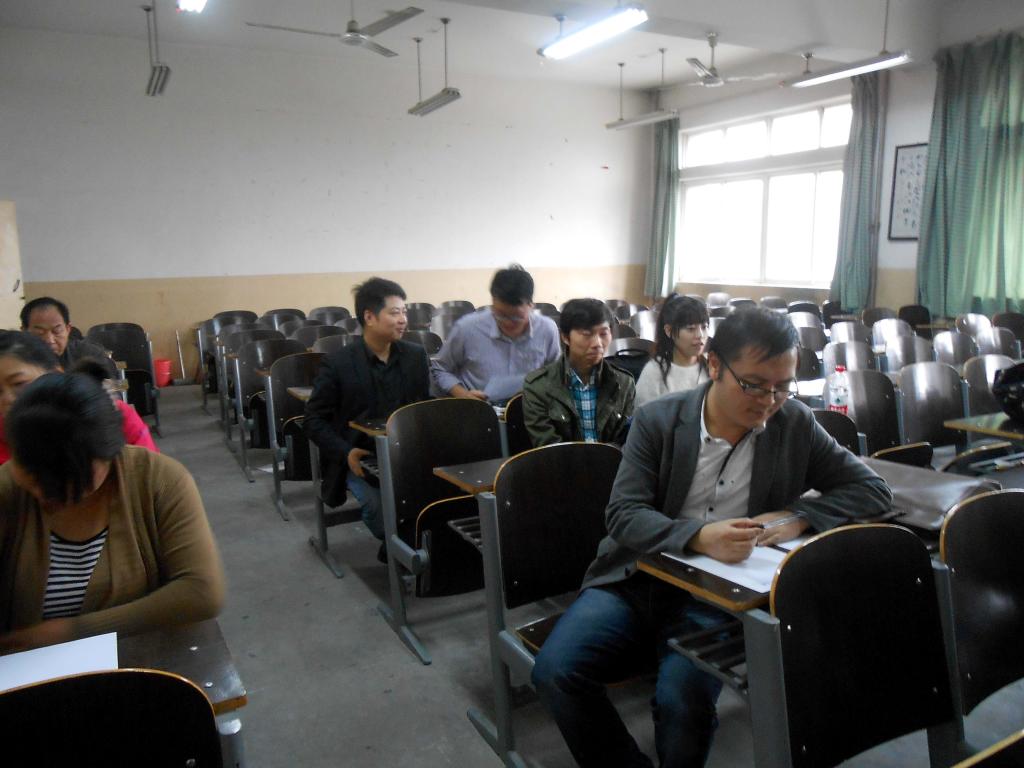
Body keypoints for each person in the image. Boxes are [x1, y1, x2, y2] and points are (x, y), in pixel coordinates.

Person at [531, 308, 892, 768]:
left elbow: (873, 490)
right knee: (556, 671)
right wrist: (699, 536)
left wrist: (799, 517)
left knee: (682, 700)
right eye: (754, 385)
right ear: (716, 365)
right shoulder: (659, 421)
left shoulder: (793, 423)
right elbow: (623, 515)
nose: (769, 401)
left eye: (783, 386)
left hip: (721, 595)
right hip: (637, 577)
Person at [0, 373, 224, 652]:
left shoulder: (158, 479)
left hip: (141, 657)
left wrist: (74, 632)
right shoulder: (7, 490)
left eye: (68, 479)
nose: (46, 492)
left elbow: (201, 592)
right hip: (27, 665)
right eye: (33, 475)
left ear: (109, 454)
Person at [304, 278, 430, 553]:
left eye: (404, 312)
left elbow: (424, 407)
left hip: (408, 454)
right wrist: (345, 452)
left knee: (439, 502)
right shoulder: (338, 363)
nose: (403, 320)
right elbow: (313, 420)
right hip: (360, 459)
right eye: (394, 313)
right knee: (383, 515)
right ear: (369, 317)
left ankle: (409, 553)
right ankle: (403, 552)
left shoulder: (415, 356)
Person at [0, 331, 157, 464]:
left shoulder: (112, 415)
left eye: (19, 383)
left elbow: (151, 474)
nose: (7, 399)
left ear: (55, 374)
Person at [430, 265, 560, 401]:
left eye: (516, 318)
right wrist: (463, 395)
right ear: (493, 302)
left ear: (531, 306)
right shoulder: (467, 328)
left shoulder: (546, 330)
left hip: (530, 407)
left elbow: (555, 374)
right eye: (501, 316)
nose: (508, 323)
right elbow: (440, 368)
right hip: (479, 407)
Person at [522, 298, 635, 447]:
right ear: (565, 337)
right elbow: (548, 447)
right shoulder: (538, 387)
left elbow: (626, 442)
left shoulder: (624, 383)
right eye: (587, 334)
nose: (597, 344)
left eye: (603, 334)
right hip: (562, 461)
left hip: (613, 461)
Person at [635, 296, 711, 407]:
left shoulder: (711, 367)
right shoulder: (654, 372)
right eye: (690, 329)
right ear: (669, 331)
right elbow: (643, 415)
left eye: (704, 327)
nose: (700, 335)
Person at [20, 296, 117, 378]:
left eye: (57, 331)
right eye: (39, 333)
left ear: (68, 329)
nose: (50, 340)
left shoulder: (88, 354)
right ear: (24, 332)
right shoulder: (16, 361)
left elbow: (108, 385)